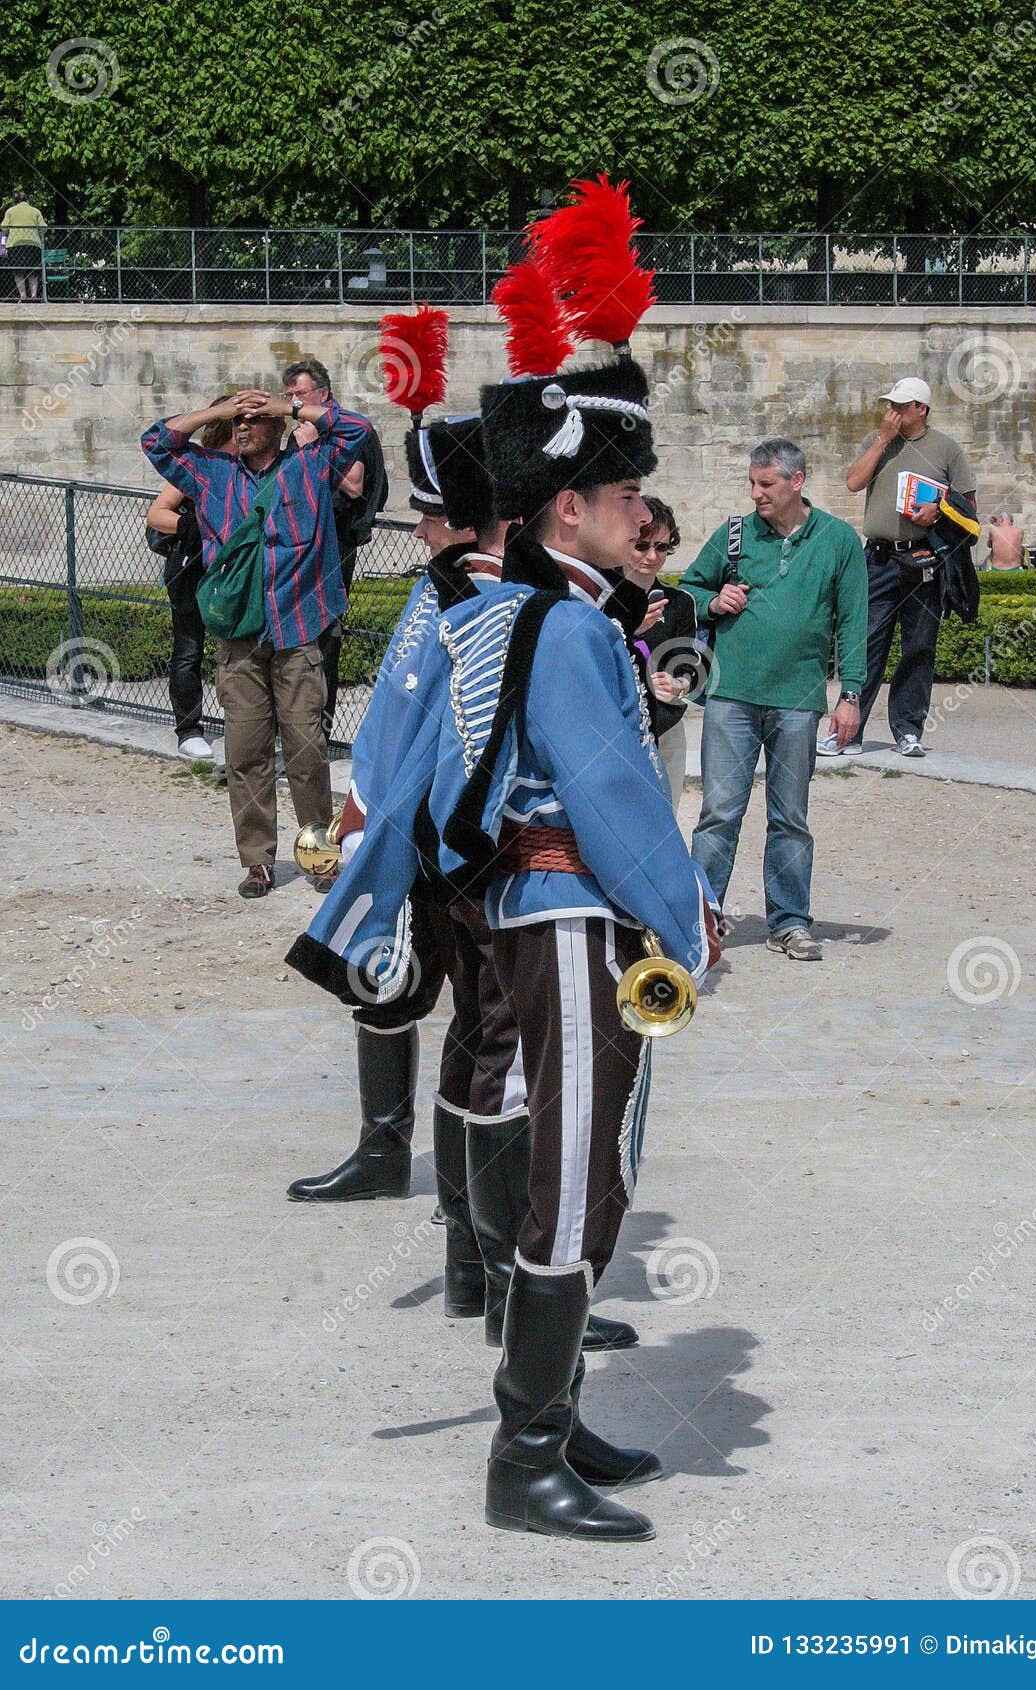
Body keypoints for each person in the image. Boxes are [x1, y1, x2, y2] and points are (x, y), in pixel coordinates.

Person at [291, 180, 721, 1541]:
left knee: (558, 1156)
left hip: (524, 908)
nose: (642, 509)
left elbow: (430, 770)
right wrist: (689, 920)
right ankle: (524, 1461)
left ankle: (554, 1422)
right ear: (576, 505)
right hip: (571, 911)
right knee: (577, 1169)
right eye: (629, 491)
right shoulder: (574, 632)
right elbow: (612, 798)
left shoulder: (507, 614)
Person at [287, 308, 637, 1354]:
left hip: (447, 849)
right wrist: (373, 842)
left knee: (484, 1049)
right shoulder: (483, 601)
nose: (424, 530)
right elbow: (423, 730)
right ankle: (491, 1269)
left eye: (436, 514)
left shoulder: (466, 593)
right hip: (485, 860)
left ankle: (476, 1262)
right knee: (502, 1056)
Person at [142, 389, 370, 897]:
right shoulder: (211, 474)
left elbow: (357, 428)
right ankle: (257, 862)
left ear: (275, 427)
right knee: (246, 754)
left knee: (308, 754)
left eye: (253, 420)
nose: (243, 428)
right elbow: (157, 441)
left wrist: (287, 408)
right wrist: (219, 412)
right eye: (238, 422)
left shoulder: (310, 467)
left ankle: (319, 857)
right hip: (239, 640)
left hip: (297, 633)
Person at [681, 439, 867, 963]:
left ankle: (788, 921)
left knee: (790, 817)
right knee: (719, 813)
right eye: (752, 483)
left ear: (796, 481)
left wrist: (850, 694)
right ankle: (700, 919)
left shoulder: (838, 541)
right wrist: (712, 600)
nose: (756, 493)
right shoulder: (735, 534)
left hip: (799, 699)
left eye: (766, 484)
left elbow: (855, 622)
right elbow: (685, 590)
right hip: (730, 697)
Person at [824, 376, 977, 759]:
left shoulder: (947, 449)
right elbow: (853, 483)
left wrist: (938, 510)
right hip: (876, 558)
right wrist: (880, 440)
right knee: (865, 642)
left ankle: (908, 730)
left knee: (919, 646)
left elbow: (969, 509)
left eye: (900, 405)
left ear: (921, 409)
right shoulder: (877, 441)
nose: (891, 411)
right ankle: (848, 731)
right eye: (889, 404)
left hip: (923, 557)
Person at [281, 358, 388, 744]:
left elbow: (354, 487)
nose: (293, 402)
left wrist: (314, 448)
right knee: (293, 637)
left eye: (300, 394)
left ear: (322, 394)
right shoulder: (301, 431)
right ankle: (292, 732)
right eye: (289, 395)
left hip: (334, 545)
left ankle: (317, 738)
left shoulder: (346, 428)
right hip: (299, 543)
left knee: (325, 638)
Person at [146, 398, 235, 759]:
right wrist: (195, 526)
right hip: (193, 568)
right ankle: (188, 729)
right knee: (189, 648)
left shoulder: (254, 466)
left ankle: (245, 726)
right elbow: (157, 514)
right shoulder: (201, 463)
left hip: (233, 571)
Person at [623, 496, 704, 811]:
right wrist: (630, 629)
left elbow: (688, 664)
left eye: (662, 547)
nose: (652, 556)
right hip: (619, 726)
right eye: (642, 546)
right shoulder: (600, 596)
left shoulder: (679, 602)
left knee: (666, 816)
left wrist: (678, 685)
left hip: (666, 725)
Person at [1, 187, 46, 301]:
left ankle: (23, 296)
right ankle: (34, 296)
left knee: (18, 271)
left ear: (15, 200)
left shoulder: (10, 211)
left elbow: (4, 227)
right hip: (33, 243)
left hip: (15, 243)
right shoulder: (35, 211)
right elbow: (43, 228)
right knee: (33, 272)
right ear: (27, 199)